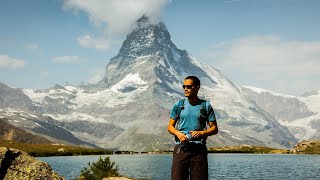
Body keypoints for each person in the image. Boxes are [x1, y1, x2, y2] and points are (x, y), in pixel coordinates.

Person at [167, 76, 218, 180]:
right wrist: (178, 134)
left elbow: (214, 129)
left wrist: (201, 133)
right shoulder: (179, 105)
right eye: (184, 86)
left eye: (189, 86)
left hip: (199, 151)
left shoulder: (205, 106)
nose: (186, 89)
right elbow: (170, 127)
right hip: (181, 149)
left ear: (197, 88)